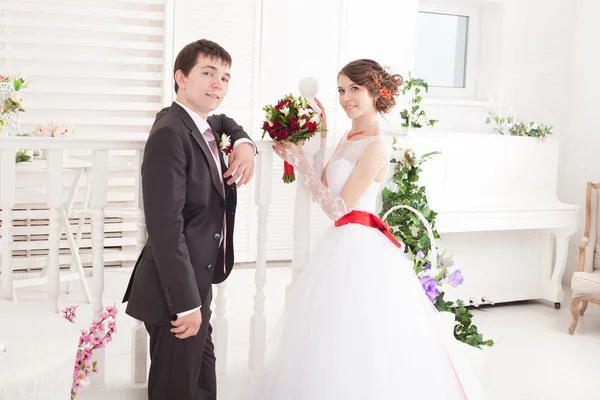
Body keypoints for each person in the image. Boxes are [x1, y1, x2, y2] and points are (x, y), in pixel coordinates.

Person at [264, 59, 488, 399]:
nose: (346, 97)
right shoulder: (347, 136)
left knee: (363, 334)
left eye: (355, 89)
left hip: (360, 246)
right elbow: (324, 186)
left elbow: (337, 208)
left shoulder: (377, 146)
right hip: (339, 243)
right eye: (341, 90)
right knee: (331, 334)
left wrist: (298, 161)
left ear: (375, 92)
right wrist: (320, 135)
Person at [122, 39, 256, 400]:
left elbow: (225, 120)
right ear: (180, 77)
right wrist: (186, 303)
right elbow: (165, 227)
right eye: (208, 73)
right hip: (176, 293)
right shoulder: (170, 132)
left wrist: (245, 141)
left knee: (200, 384)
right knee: (175, 389)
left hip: (197, 282)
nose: (219, 85)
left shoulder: (199, 123)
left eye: (226, 78)